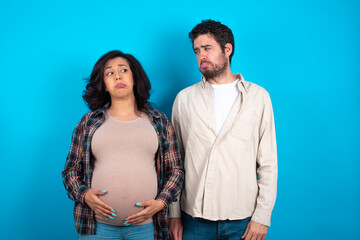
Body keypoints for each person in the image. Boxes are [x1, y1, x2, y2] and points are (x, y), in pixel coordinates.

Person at [169, 20, 278, 240]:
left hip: (244, 221)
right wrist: (173, 214)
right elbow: (174, 162)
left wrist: (262, 217)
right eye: (197, 51)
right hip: (193, 220)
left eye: (207, 48)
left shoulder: (258, 97)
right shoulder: (184, 99)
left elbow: (268, 163)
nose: (201, 56)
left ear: (227, 49)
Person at [62, 50, 184, 240]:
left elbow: (176, 170)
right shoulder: (88, 123)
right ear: (104, 86)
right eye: (109, 73)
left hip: (147, 227)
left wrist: (161, 202)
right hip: (98, 227)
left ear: (135, 78)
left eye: (123, 70)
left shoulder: (160, 122)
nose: (117, 75)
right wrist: (85, 195)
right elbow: (70, 171)